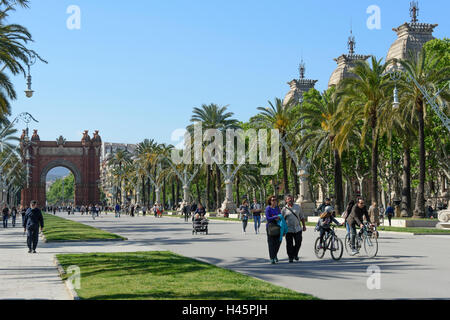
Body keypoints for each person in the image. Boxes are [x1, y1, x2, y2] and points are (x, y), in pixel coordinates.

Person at [281, 194, 306, 263]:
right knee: (289, 244)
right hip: (288, 229)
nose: (290, 200)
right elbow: (282, 220)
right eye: (289, 199)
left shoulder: (298, 207)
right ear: (286, 200)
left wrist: (304, 226)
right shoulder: (284, 209)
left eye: (291, 198)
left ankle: (295, 254)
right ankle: (290, 257)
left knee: (298, 242)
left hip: (297, 228)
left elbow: (302, 217)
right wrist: (282, 230)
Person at [265, 196, 282, 264]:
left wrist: (279, 217)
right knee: (271, 243)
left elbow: (280, 215)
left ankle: (274, 255)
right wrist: (275, 217)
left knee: (278, 242)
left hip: (278, 225)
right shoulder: (268, 208)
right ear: (270, 201)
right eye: (272, 200)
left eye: (275, 200)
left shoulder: (277, 208)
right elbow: (268, 218)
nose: (274, 201)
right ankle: (272, 258)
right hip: (270, 226)